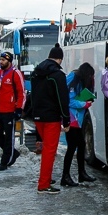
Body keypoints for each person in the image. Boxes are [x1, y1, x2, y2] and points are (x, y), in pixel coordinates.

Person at [28, 44, 69, 195]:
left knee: (46, 149)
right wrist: (66, 120)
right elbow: (62, 98)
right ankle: (43, 184)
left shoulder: (36, 73)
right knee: (49, 151)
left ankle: (46, 177)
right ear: (59, 59)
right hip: (52, 117)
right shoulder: (57, 75)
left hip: (38, 116)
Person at [61, 62, 97, 187]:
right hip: (71, 117)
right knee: (72, 147)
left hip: (77, 118)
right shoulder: (74, 78)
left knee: (80, 145)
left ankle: (81, 173)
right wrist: (84, 104)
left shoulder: (79, 79)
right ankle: (66, 176)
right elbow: (69, 100)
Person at [0, 51, 25, 170]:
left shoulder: (15, 73)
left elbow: (21, 92)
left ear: (9, 61)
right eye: (0, 59)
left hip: (9, 110)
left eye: (3, 60)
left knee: (9, 137)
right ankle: (13, 153)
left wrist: (19, 108)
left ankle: (5, 161)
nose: (1, 62)